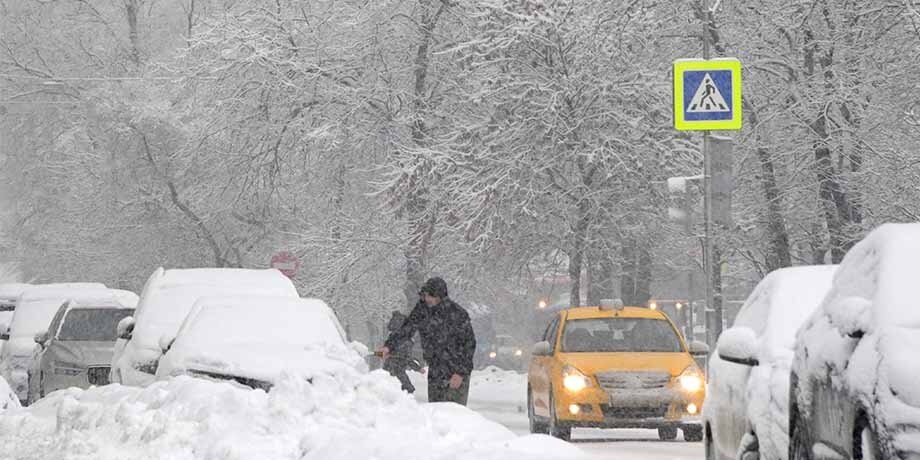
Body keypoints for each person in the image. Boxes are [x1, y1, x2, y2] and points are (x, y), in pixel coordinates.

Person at [378, 277, 476, 405]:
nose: (427, 299)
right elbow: (406, 329)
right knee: (436, 413)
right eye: (425, 295)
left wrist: (460, 373)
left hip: (456, 372)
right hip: (435, 370)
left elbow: (469, 344)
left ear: (440, 296)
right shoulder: (423, 310)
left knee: (455, 415)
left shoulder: (457, 314)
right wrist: (388, 347)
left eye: (431, 296)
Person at [382, 311, 416, 393]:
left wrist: (389, 350)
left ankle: (407, 389)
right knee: (398, 371)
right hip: (402, 349)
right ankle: (404, 389)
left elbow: (391, 331)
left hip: (398, 352)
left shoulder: (397, 322)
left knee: (394, 371)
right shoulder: (404, 321)